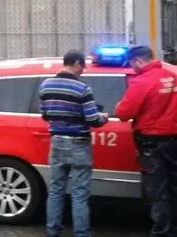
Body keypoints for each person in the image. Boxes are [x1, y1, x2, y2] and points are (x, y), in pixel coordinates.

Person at [114, 45, 177, 237]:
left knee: (158, 191)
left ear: (138, 61)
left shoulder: (142, 82)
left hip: (152, 142)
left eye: (132, 65)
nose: (133, 69)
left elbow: (123, 113)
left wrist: (118, 105)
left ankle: (161, 232)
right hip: (176, 141)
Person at [39, 50, 108, 237]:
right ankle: (82, 234)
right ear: (76, 63)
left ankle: (52, 231)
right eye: (82, 66)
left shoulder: (45, 85)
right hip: (78, 144)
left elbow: (45, 115)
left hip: (57, 142)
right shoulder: (82, 88)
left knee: (55, 191)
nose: (82, 71)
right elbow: (93, 119)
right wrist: (104, 117)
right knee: (79, 194)